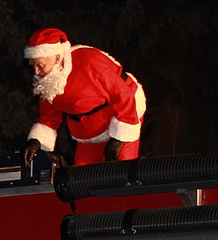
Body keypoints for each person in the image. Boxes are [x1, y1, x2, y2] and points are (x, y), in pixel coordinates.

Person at [21, 27, 146, 167]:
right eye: (33, 66)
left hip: (123, 114)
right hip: (87, 132)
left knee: (123, 171)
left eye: (40, 65)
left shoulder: (90, 62)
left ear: (57, 58)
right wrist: (36, 141)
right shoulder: (47, 83)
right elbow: (49, 117)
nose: (36, 72)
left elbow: (124, 94)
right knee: (83, 177)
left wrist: (120, 139)